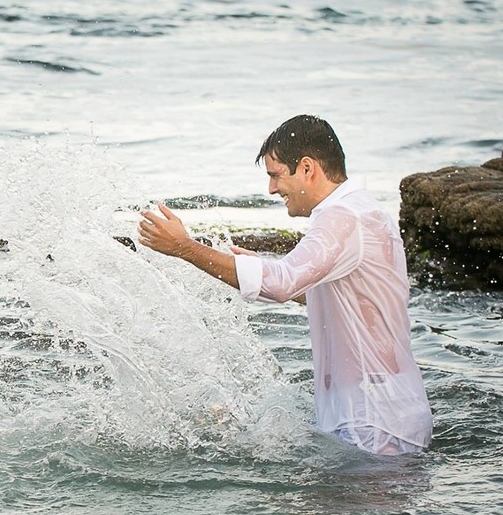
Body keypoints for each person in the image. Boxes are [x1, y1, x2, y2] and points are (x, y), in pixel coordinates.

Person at [137, 115, 432, 455]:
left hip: (373, 426)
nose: (272, 189)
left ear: (307, 168)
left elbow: (281, 285)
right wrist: (261, 267)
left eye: (276, 175)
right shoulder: (363, 210)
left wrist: (184, 248)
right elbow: (350, 298)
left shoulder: (342, 218)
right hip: (385, 414)